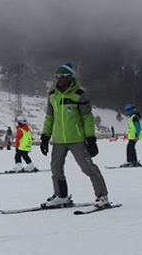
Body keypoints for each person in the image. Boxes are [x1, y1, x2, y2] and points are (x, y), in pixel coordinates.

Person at [40, 62, 109, 208]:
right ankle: (61, 196)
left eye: (62, 76)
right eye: (57, 76)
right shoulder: (53, 95)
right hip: (59, 140)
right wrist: (45, 137)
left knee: (88, 168)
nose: (59, 79)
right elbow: (50, 117)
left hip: (77, 139)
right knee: (56, 169)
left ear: (69, 77)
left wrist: (91, 139)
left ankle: (102, 196)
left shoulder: (79, 95)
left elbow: (87, 118)